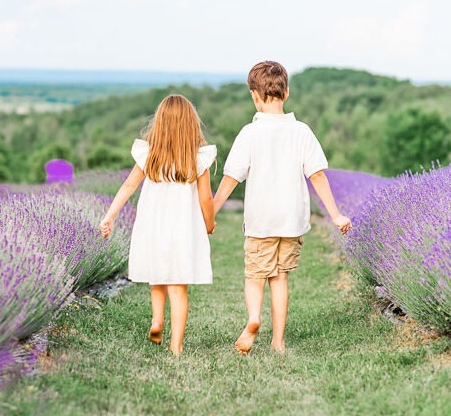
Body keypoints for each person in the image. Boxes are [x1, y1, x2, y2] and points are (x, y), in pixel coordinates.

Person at [213, 61, 352, 355]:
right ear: (286, 92)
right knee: (280, 278)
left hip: (261, 221)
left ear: (254, 95)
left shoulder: (249, 133)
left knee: (255, 276)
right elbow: (317, 175)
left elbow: (231, 178)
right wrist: (336, 214)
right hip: (291, 220)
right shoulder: (301, 131)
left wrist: (210, 212)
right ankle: (278, 342)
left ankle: (253, 319)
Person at [99, 94, 217, 355]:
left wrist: (110, 215)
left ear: (159, 123)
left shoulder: (149, 154)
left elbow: (129, 186)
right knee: (178, 286)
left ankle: (156, 321)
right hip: (183, 228)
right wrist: (209, 222)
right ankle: (176, 346)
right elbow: (206, 198)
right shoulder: (197, 159)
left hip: (153, 225)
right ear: (191, 124)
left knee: (157, 277)